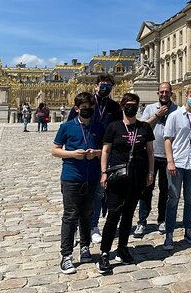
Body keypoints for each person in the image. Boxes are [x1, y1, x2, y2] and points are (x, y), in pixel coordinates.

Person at [97, 93, 154, 275]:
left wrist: (151, 172)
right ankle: (105, 253)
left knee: (128, 215)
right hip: (118, 177)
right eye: (128, 105)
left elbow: (150, 152)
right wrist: (104, 172)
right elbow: (105, 151)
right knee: (113, 215)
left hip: (137, 176)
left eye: (135, 105)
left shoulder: (144, 127)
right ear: (122, 106)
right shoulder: (114, 127)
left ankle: (123, 248)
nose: (132, 108)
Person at [67, 74, 122, 244]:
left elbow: (118, 129)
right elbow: (70, 127)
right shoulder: (87, 103)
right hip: (82, 153)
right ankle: (76, 226)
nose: (105, 88)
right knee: (78, 192)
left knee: (98, 192)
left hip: (103, 153)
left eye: (109, 86)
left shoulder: (114, 106)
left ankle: (93, 225)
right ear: (96, 86)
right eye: (102, 85)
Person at [51, 92, 102, 274]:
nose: (87, 111)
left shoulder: (98, 127)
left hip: (91, 176)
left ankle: (85, 247)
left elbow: (105, 150)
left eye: (90, 108)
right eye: (84, 109)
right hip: (71, 176)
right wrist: (73, 154)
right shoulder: (66, 127)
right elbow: (55, 150)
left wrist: (95, 153)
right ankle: (66, 255)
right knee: (70, 215)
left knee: (87, 214)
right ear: (76, 109)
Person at [133, 82, 177, 238]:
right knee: (146, 190)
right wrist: (157, 116)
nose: (164, 94)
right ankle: (142, 221)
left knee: (165, 191)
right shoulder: (150, 108)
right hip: (150, 155)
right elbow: (142, 126)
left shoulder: (177, 110)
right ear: (157, 93)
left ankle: (162, 220)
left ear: (171, 93)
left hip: (169, 157)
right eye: (161, 92)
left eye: (167, 92)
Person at [163, 86, 191, 250]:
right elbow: (167, 139)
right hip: (177, 162)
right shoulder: (175, 115)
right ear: (186, 96)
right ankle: (169, 234)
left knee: (190, 199)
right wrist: (170, 161)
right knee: (173, 199)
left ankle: (188, 230)